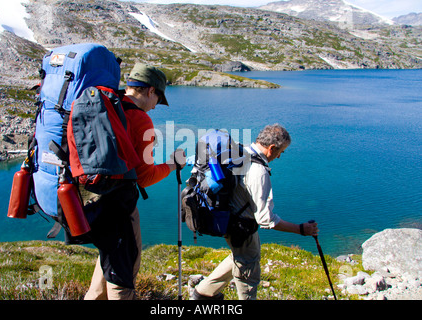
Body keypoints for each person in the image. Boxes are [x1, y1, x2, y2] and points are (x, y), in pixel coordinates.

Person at [84, 63, 185, 300]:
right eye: (158, 99)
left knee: (107, 256)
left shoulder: (108, 105)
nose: (154, 107)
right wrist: (173, 165)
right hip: (118, 205)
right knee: (123, 268)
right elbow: (144, 177)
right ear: (150, 91)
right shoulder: (140, 120)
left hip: (90, 198)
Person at [191, 124, 319, 300]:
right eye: (281, 151)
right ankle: (206, 294)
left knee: (242, 255)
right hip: (242, 228)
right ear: (271, 148)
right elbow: (265, 219)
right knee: (248, 275)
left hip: (229, 222)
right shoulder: (258, 171)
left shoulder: (240, 151)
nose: (280, 156)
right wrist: (300, 229)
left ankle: (203, 293)